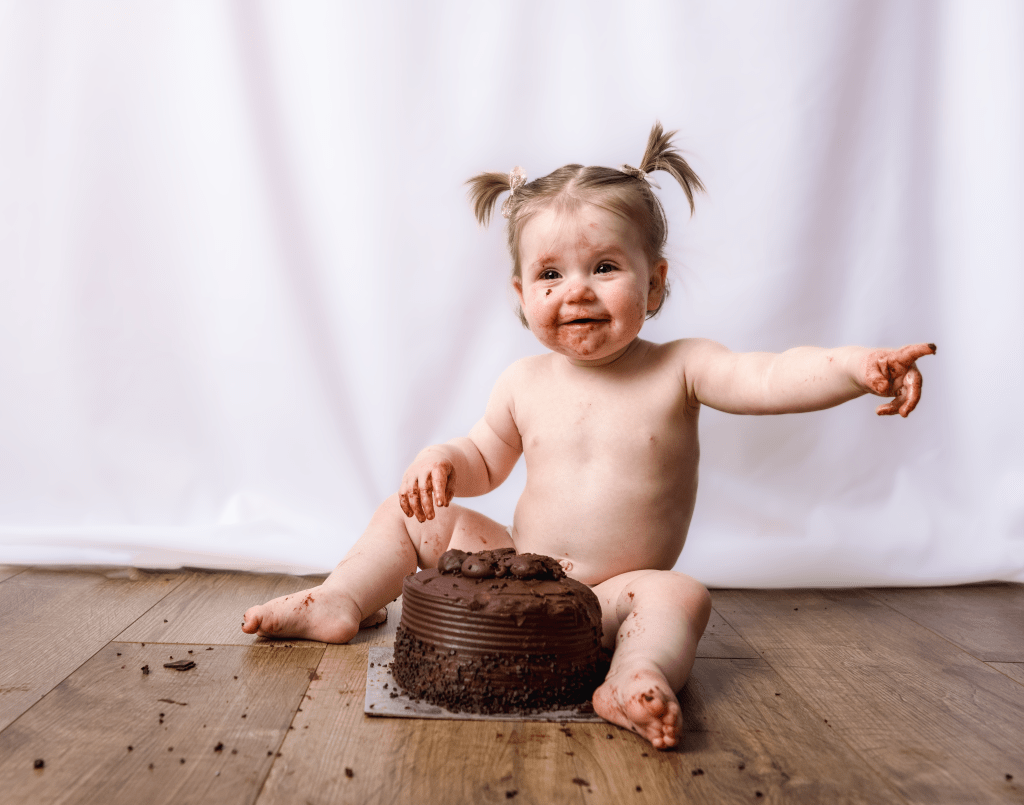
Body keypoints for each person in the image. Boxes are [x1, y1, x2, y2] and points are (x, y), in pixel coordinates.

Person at [242, 123, 935, 749]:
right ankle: (341, 597)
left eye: (604, 267)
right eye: (551, 274)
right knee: (415, 516)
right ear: (520, 296)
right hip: (516, 578)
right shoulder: (523, 381)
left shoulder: (681, 368)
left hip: (611, 598)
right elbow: (483, 457)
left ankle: (633, 676)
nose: (576, 290)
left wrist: (855, 367)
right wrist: (440, 460)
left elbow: (770, 376)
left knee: (682, 595)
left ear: (654, 282)